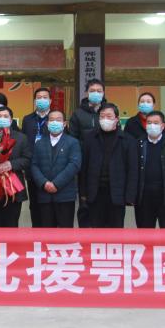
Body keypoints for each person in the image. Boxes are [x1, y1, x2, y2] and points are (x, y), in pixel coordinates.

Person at [80, 103, 138, 228]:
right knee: (96, 229)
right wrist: (83, 193)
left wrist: (130, 196)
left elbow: (133, 170)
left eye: (109, 116)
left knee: (116, 230)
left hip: (117, 194)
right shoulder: (90, 138)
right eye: (102, 116)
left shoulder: (128, 140)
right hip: (95, 193)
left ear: (116, 119)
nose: (105, 119)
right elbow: (84, 167)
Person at [30, 110, 81, 228]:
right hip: (44, 195)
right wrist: (44, 183)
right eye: (51, 120)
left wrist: (56, 184)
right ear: (47, 123)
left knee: (65, 231)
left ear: (64, 123)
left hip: (65, 195)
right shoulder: (39, 143)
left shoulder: (73, 142)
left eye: (58, 120)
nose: (54, 122)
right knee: (46, 231)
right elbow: (34, 165)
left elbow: (74, 165)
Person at [69, 78, 108, 227]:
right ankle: (85, 234)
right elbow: (73, 139)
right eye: (92, 91)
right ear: (86, 93)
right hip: (85, 164)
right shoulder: (78, 114)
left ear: (103, 93)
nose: (96, 93)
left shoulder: (108, 111)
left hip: (105, 164)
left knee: (104, 202)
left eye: (99, 91)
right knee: (85, 203)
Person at [135, 111, 165, 229]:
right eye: (149, 122)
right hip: (144, 195)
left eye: (156, 123)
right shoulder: (139, 143)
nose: (152, 125)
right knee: (144, 229)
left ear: (162, 126)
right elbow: (133, 170)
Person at [22, 87, 53, 226]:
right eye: (39, 98)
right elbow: (24, 143)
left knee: (50, 206)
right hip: (32, 169)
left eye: (45, 97)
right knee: (34, 205)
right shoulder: (27, 119)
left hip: (51, 169)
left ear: (50, 100)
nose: (42, 100)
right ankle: (36, 234)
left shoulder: (56, 118)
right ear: (35, 101)